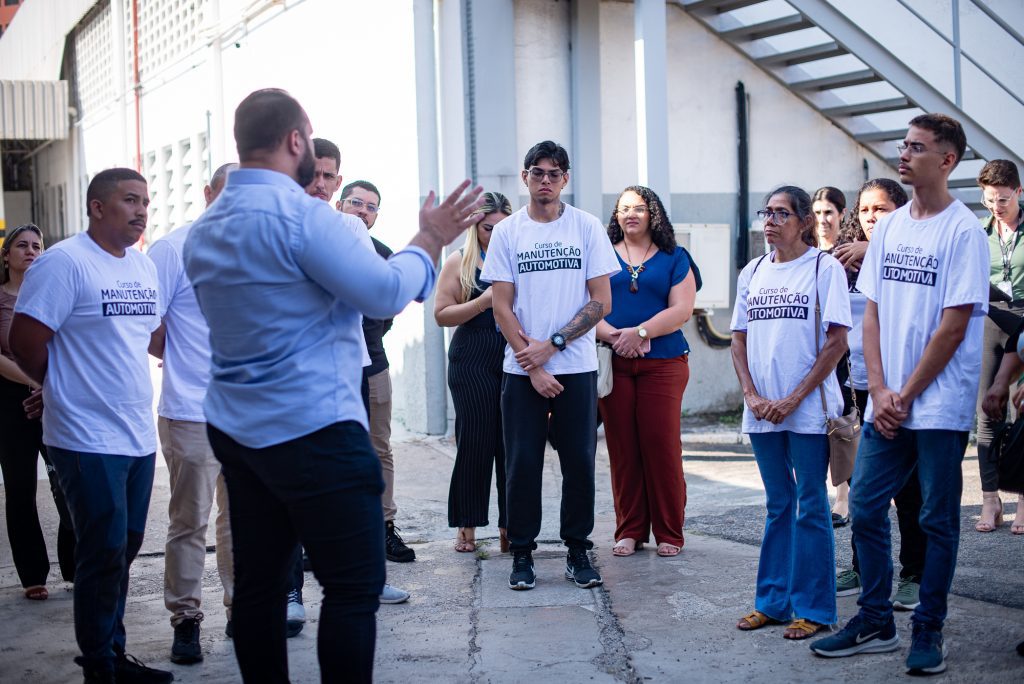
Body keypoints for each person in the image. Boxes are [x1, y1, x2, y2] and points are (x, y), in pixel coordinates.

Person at [181, 88, 482, 684]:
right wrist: (429, 239)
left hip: (240, 430)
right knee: (352, 586)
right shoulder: (305, 219)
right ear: (297, 141)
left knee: (261, 586)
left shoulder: (204, 229)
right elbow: (383, 292)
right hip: (314, 427)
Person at [810, 114, 988, 677]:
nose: (903, 154)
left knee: (937, 519)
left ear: (948, 160)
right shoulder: (888, 229)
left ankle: (928, 629)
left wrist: (905, 393)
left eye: (917, 147)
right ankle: (876, 621)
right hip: (890, 399)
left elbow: (954, 325)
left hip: (937, 404)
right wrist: (881, 389)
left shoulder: (964, 232)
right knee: (864, 505)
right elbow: (875, 314)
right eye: (903, 145)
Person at [9, 168, 173, 683]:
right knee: (100, 549)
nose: (141, 210)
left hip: (137, 433)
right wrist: (55, 388)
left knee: (122, 546)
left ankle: (112, 653)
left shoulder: (144, 268)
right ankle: (101, 665)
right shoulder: (64, 264)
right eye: (130, 200)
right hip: (83, 434)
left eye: (146, 201)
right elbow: (25, 341)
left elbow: (151, 337)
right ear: (97, 207)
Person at [480, 140, 619, 591]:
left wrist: (553, 346)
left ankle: (578, 549)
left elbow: (601, 301)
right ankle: (522, 552)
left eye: (554, 173)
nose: (545, 180)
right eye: (537, 172)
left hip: (576, 366)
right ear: (525, 178)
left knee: (579, 460)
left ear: (565, 178)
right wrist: (533, 363)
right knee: (521, 463)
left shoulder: (587, 227)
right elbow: (502, 307)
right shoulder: (507, 233)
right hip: (521, 370)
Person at [730, 186, 850, 640]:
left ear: (803, 221)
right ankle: (772, 602)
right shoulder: (752, 272)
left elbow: (837, 341)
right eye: (768, 212)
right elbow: (738, 340)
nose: (771, 220)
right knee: (778, 503)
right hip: (762, 410)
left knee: (810, 504)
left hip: (807, 412)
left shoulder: (824, 268)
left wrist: (795, 397)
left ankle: (815, 609)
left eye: (782, 213)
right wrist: (752, 395)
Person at [148, 162, 237, 664]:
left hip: (248, 413)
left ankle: (240, 608)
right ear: (207, 193)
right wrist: (182, 357)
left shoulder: (259, 248)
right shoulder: (172, 248)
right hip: (191, 411)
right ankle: (185, 619)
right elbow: (150, 326)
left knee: (241, 519)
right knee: (190, 521)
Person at [831, 179, 926, 612]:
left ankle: (913, 574)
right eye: (866, 210)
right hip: (857, 390)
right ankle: (863, 566)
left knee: (908, 490)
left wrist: (875, 251)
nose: (872, 217)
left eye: (883, 209)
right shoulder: (844, 258)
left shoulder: (904, 250)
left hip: (902, 387)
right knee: (861, 488)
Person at [596, 186, 700, 558]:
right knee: (622, 449)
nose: (631, 214)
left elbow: (682, 309)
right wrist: (615, 337)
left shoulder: (675, 257)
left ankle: (669, 531)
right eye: (624, 209)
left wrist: (640, 333)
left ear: (653, 213)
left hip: (664, 364)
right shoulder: (601, 255)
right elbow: (586, 305)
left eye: (639, 208)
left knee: (661, 446)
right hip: (614, 363)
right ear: (616, 215)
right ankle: (630, 529)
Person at [338, 180, 417, 565]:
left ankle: (383, 528)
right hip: (327, 371)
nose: (362, 211)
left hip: (373, 366)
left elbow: (389, 310)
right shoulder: (318, 246)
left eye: (371, 206)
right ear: (340, 203)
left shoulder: (384, 255)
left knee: (378, 448)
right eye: (356, 202)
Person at [434, 191, 513, 553]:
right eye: (486, 228)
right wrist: (483, 300)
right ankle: (466, 524)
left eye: (501, 228)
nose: (493, 235)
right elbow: (441, 315)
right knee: (476, 441)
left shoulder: (517, 258)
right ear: (474, 227)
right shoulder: (460, 261)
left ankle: (510, 526)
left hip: (512, 352)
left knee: (512, 445)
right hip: (472, 355)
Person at [0, 223, 75, 600]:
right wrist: (35, 382)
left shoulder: (53, 294)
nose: (31, 251)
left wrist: (49, 388)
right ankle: (32, 575)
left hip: (52, 397)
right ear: (6, 255)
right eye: (22, 246)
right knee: (20, 488)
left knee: (69, 483)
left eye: (37, 246)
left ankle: (75, 565)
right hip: (11, 402)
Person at [973, 159, 1024, 533]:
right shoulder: (978, 232)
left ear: (1019, 192)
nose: (996, 207)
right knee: (988, 408)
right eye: (989, 200)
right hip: (991, 318)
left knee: (1023, 407)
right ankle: (991, 500)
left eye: (1003, 200)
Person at [812, 186, 846, 253]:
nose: (822, 220)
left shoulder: (850, 251)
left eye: (828, 212)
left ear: (842, 213)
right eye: (817, 213)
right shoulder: (805, 250)